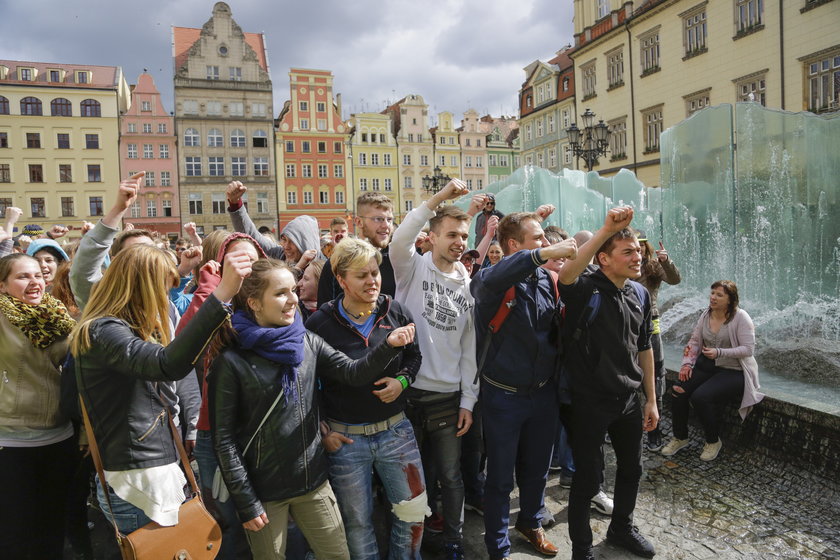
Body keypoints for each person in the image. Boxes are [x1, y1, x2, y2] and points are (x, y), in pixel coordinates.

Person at [208, 258, 417, 560]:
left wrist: (388, 346)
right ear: (253, 302)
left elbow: (353, 373)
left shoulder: (306, 341)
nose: (293, 299)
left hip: (313, 484)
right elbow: (224, 441)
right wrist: (247, 503)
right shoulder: (231, 361)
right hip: (265, 494)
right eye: (280, 293)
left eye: (293, 290)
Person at [71, 243, 251, 534]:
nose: (165, 299)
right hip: (139, 484)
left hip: (147, 478)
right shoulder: (104, 331)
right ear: (140, 287)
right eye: (162, 289)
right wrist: (221, 295)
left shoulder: (119, 328)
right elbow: (167, 365)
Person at [306, 237, 427, 560]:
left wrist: (402, 381)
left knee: (413, 513)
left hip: (396, 433)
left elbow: (415, 358)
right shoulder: (320, 323)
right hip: (346, 440)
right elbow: (308, 383)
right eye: (362, 275)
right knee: (357, 524)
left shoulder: (396, 310)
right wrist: (324, 431)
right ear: (341, 280)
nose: (372, 280)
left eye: (375, 272)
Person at [471, 210, 577, 560]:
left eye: (545, 241)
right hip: (503, 396)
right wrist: (544, 255)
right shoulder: (490, 280)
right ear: (514, 245)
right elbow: (491, 278)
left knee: (537, 470)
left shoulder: (547, 281)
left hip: (542, 393)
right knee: (501, 477)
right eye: (538, 240)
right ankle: (497, 546)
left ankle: (530, 523)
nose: (546, 245)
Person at [557, 207, 659, 560]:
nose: (637, 258)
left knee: (632, 469)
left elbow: (644, 347)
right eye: (627, 252)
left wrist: (651, 400)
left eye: (638, 251)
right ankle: (582, 549)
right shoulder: (587, 288)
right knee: (587, 480)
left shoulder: (641, 294)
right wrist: (605, 230)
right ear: (604, 259)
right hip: (588, 401)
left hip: (630, 399)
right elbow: (566, 276)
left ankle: (621, 528)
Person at [389, 179, 479, 560]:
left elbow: (469, 349)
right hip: (408, 392)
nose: (460, 242)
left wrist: (469, 401)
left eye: (464, 235)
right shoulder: (412, 268)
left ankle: (455, 539)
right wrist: (439, 199)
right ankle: (413, 539)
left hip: (447, 395)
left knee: (450, 475)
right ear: (433, 237)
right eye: (452, 235)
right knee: (413, 477)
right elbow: (399, 239)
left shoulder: (468, 285)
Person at [0, 253, 78, 559]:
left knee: (52, 527)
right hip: (11, 440)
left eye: (38, 275)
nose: (34, 282)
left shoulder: (58, 316)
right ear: (3, 286)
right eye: (22, 276)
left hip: (58, 436)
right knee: (15, 531)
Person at [661, 280, 763, 461]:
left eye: (719, 295)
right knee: (678, 390)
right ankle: (680, 437)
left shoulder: (741, 317)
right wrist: (686, 364)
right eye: (712, 293)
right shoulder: (705, 315)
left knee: (700, 396)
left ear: (730, 300)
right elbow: (694, 342)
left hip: (735, 370)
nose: (713, 298)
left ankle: (713, 440)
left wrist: (719, 352)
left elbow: (748, 349)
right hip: (707, 365)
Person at [635, 234, 681, 451]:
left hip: (650, 324)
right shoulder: (621, 265)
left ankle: (654, 431)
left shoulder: (653, 266)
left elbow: (674, 279)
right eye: (634, 246)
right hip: (625, 324)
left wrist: (666, 261)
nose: (639, 250)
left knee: (656, 376)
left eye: (641, 246)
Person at [319, 192, 397, 306]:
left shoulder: (397, 258)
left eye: (389, 219)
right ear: (359, 222)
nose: (386, 225)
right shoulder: (339, 261)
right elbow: (324, 314)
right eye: (378, 219)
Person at [225, 180, 323, 270]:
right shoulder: (280, 254)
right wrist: (235, 204)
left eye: (293, 241)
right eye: (284, 239)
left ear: (306, 241)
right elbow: (251, 235)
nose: (286, 246)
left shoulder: (324, 269)